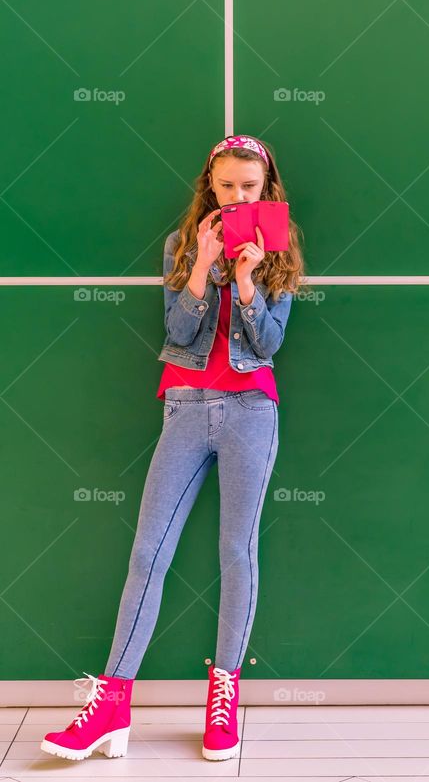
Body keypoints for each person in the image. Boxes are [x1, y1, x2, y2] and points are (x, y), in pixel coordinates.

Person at [40, 134, 304, 762]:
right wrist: (199, 270)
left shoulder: (279, 251)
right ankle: (111, 706)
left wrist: (244, 280)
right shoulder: (183, 244)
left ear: (266, 189)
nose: (238, 196)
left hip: (250, 411)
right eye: (226, 186)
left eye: (249, 187)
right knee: (147, 553)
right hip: (185, 408)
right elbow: (178, 330)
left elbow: (267, 345)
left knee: (236, 552)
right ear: (208, 186)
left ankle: (223, 699)